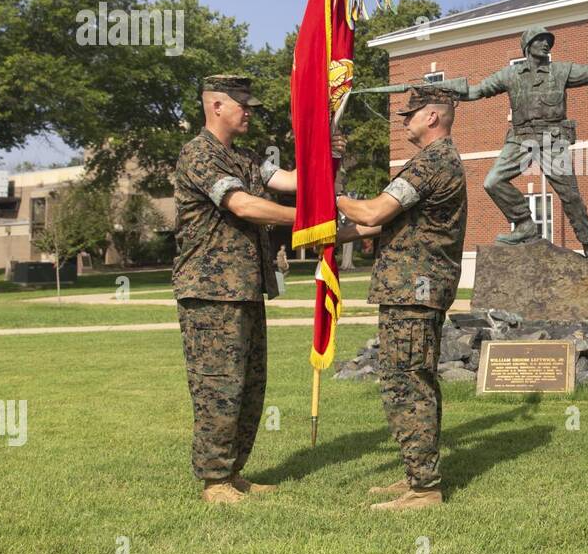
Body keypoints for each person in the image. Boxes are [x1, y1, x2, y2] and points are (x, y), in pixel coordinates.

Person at [172, 74, 345, 504]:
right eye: (241, 104)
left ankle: (233, 472)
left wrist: (326, 157)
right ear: (215, 106)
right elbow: (243, 205)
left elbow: (290, 180)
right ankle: (214, 481)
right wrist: (310, 221)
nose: (248, 111)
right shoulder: (198, 155)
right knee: (219, 385)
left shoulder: (246, 159)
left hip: (245, 288)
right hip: (210, 292)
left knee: (250, 384)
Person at [336, 86, 466, 512]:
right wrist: (333, 232)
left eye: (410, 113)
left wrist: (326, 196)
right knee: (405, 379)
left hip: (416, 289)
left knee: (408, 382)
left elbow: (373, 212)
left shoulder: (434, 161)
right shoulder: (433, 161)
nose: (403, 120)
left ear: (433, 116)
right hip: (409, 289)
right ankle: (416, 473)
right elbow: (378, 225)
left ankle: (425, 489)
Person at [446, 19, 588, 264]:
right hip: (520, 139)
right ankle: (524, 224)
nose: (545, 44)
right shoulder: (510, 75)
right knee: (493, 181)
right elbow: (476, 91)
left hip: (552, 139)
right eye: (539, 40)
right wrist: (447, 91)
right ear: (527, 46)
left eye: (548, 41)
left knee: (570, 195)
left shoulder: (562, 71)